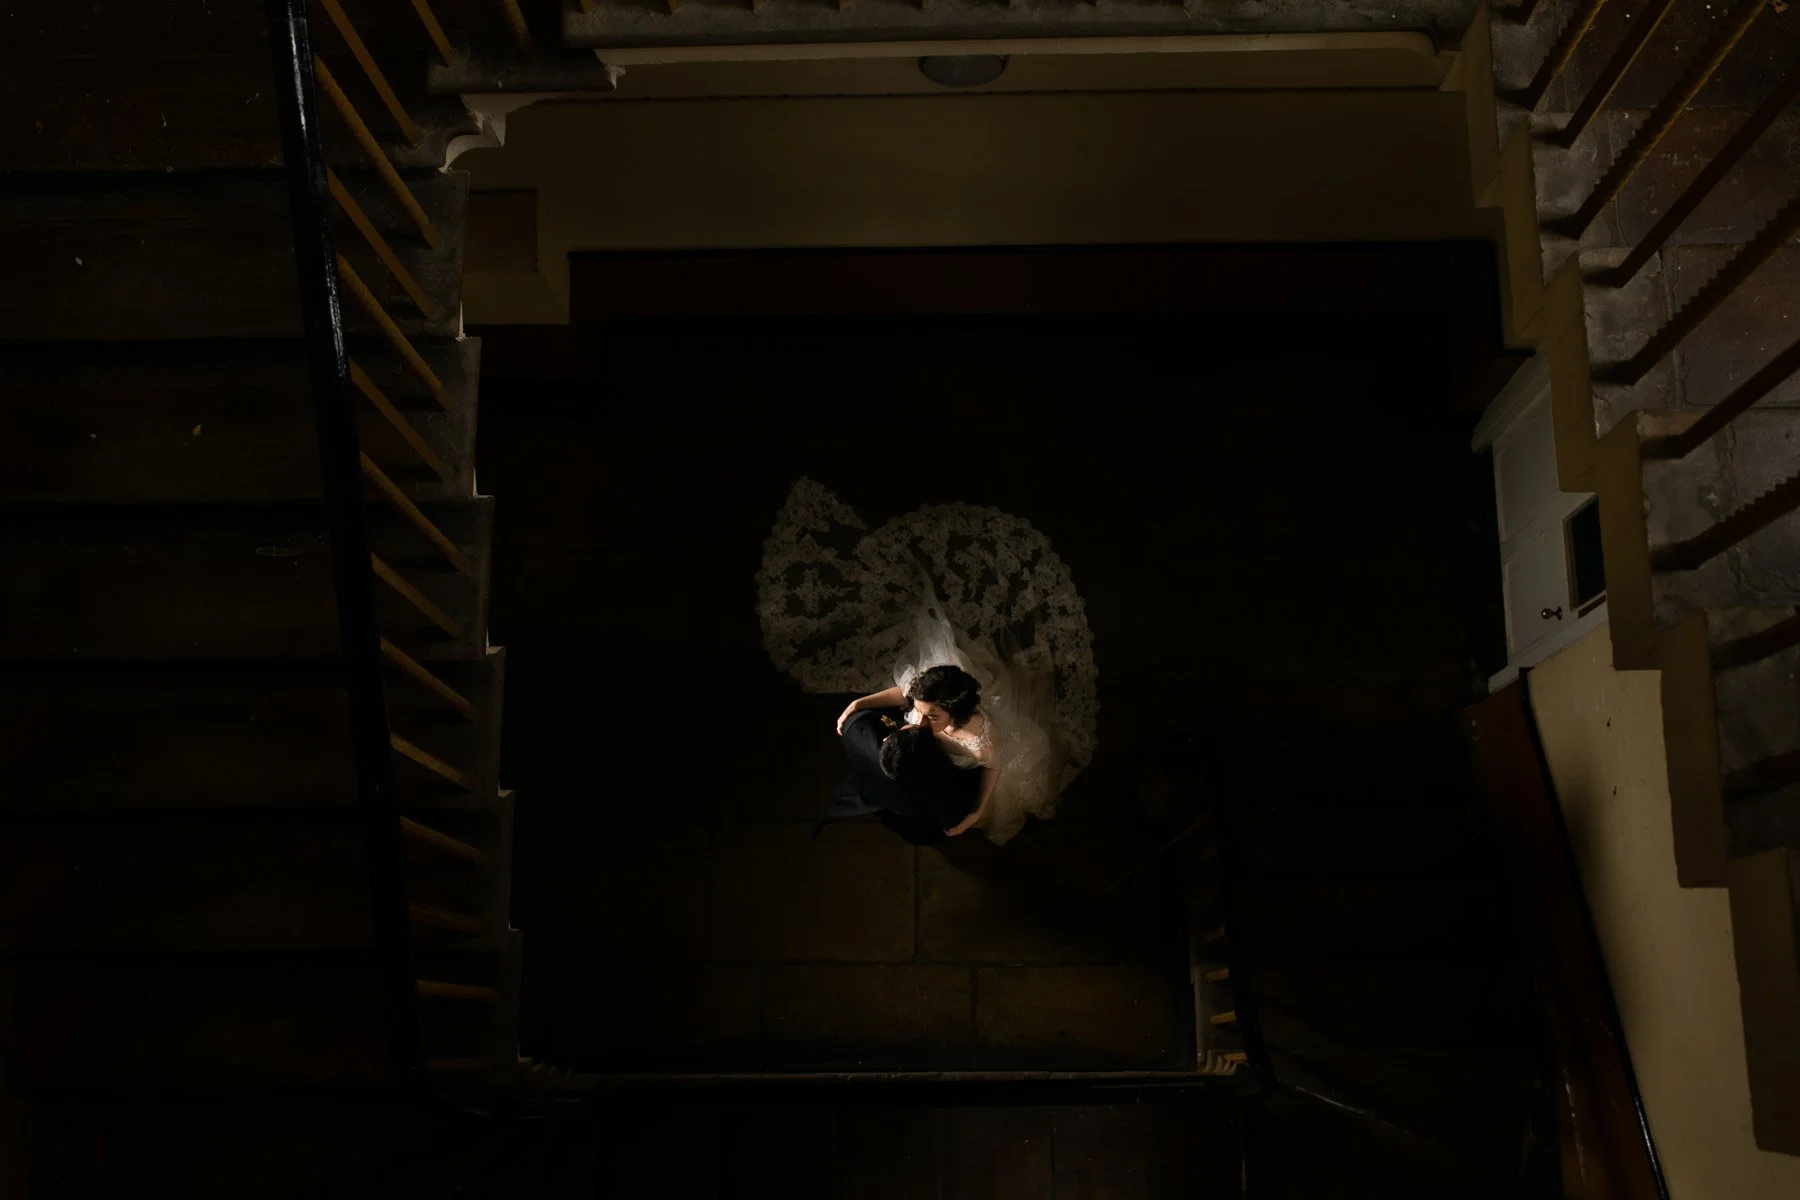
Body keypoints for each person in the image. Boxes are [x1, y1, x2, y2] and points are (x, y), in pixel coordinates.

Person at [760, 477, 1098, 844]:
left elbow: (992, 769)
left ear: (959, 714)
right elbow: (900, 694)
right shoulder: (924, 702)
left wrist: (977, 812)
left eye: (930, 715)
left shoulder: (982, 738)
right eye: (919, 710)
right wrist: (857, 704)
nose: (917, 720)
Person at [825, 703, 980, 844]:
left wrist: (856, 704)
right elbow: (954, 817)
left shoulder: (857, 730)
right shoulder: (945, 800)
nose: (919, 721)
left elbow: (854, 720)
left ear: (886, 740)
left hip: (879, 796)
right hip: (914, 822)